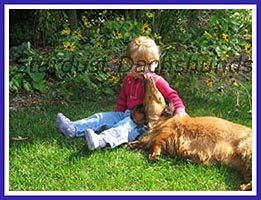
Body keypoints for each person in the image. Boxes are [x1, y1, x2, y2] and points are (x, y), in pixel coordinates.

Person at [56, 36, 187, 151]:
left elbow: (172, 96)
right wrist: (117, 114)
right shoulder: (128, 80)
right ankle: (73, 128)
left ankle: (102, 141)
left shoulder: (157, 81)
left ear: (155, 64)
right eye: (138, 65)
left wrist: (180, 111)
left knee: (123, 127)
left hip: (142, 122)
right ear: (129, 63)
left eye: (147, 65)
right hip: (126, 114)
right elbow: (123, 99)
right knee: (101, 117)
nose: (143, 69)